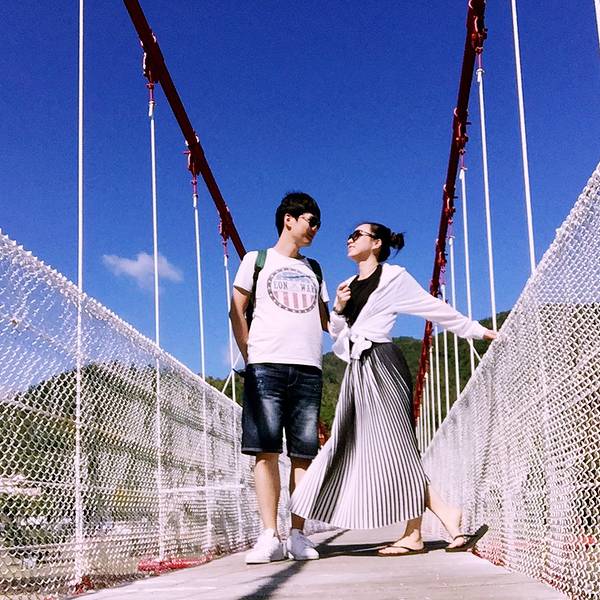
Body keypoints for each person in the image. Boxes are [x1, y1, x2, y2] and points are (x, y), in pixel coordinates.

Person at [289, 222, 496, 556]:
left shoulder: (394, 277)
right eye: (349, 235)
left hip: (383, 364)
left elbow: (433, 308)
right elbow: (338, 336)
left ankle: (416, 534)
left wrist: (477, 331)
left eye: (357, 235)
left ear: (377, 243)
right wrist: (339, 308)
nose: (349, 239)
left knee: (397, 448)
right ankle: (444, 515)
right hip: (357, 371)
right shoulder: (347, 286)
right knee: (362, 449)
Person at [229, 192, 329, 564]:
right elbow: (236, 309)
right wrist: (250, 355)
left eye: (318, 224)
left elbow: (326, 320)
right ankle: (270, 535)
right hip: (265, 365)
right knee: (265, 452)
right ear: (289, 219)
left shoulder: (315, 268)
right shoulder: (256, 260)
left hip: (309, 368)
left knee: (303, 455)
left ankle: (298, 535)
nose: (315, 228)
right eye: (311, 220)